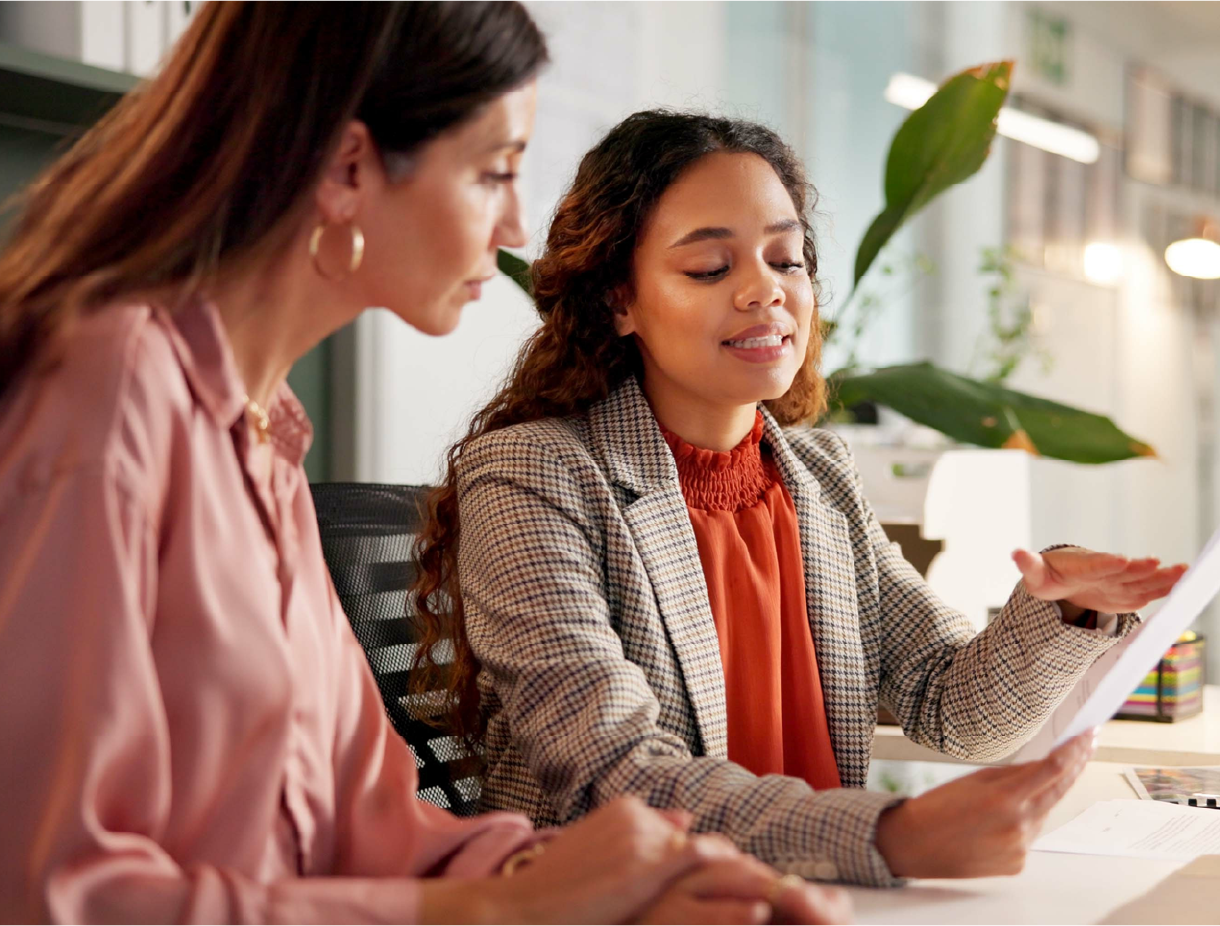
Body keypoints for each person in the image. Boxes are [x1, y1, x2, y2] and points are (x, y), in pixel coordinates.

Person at [0, 4, 852, 924]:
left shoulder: (261, 435)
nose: (516, 222)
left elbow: (372, 829)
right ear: (350, 170)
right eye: (495, 172)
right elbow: (52, 894)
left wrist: (615, 882)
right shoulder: (111, 393)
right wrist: (500, 914)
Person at [412, 109, 1188, 887]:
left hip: (816, 896)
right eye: (711, 269)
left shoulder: (818, 476)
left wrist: (1062, 608)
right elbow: (614, 772)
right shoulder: (532, 473)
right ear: (620, 300)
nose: (765, 291)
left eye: (786, 259)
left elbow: (948, 705)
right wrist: (894, 836)